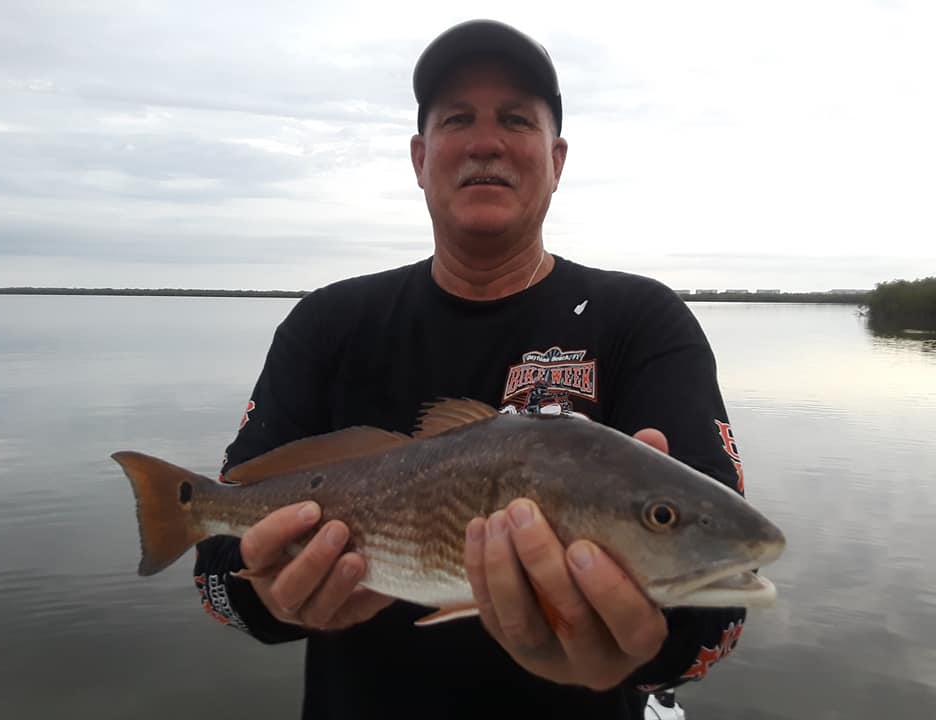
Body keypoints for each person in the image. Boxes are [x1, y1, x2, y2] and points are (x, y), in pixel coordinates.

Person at [195, 18, 748, 719]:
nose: (487, 142)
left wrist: (651, 648)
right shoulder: (327, 323)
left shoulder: (641, 319)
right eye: (460, 118)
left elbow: (723, 608)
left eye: (516, 119)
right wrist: (273, 599)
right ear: (421, 157)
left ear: (558, 157)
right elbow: (216, 570)